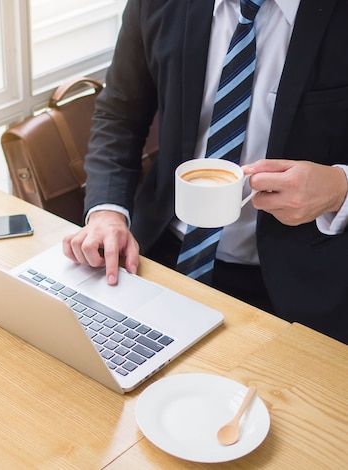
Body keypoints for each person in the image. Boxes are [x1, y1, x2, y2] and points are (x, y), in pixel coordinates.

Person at [62, 0, 348, 344]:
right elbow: (119, 115)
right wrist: (107, 212)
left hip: (301, 282)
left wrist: (338, 187)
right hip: (155, 255)